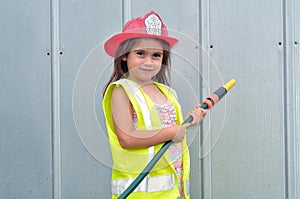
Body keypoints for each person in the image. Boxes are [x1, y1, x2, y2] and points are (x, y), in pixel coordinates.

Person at [102, 10, 206, 199]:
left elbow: (170, 129)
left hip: (173, 191)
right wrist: (170, 133)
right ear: (125, 55)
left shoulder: (167, 92)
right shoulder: (121, 90)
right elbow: (126, 138)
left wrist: (190, 121)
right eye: (141, 53)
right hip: (140, 194)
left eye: (156, 55)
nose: (148, 62)